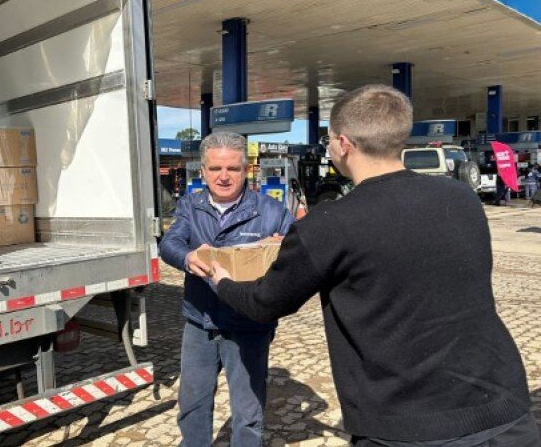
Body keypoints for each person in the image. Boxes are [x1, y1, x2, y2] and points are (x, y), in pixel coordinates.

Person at [210, 85, 538, 446]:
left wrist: (221, 279)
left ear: (343, 143)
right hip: (504, 409)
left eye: (329, 141)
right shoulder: (461, 198)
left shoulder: (327, 224)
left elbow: (266, 302)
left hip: (406, 424)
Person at [159, 132, 294, 446]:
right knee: (191, 407)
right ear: (203, 171)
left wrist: (277, 250)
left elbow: (296, 258)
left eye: (232, 169)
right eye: (215, 169)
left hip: (247, 326)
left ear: (245, 170)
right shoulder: (190, 205)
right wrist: (187, 257)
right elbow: (170, 243)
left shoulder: (271, 212)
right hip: (200, 322)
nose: (223, 177)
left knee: (248, 415)